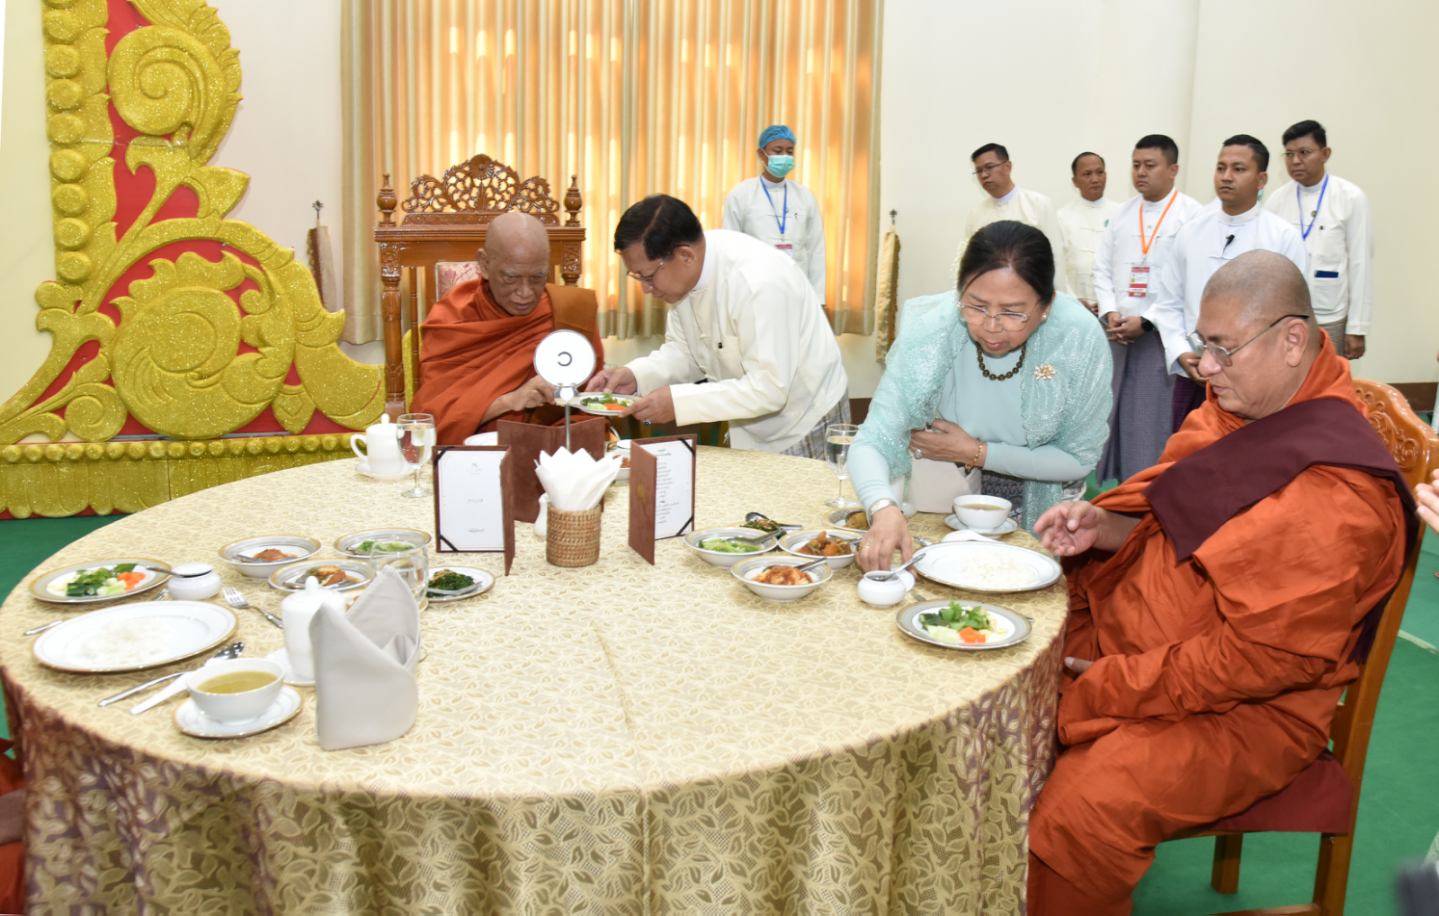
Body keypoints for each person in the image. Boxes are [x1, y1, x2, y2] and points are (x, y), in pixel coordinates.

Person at [1026, 251, 1416, 915]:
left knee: (1085, 808)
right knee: (1007, 666)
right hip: (1154, 638)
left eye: (1222, 349)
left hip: (1253, 709)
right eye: (1202, 344)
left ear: (1292, 341)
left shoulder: (1338, 497)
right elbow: (1177, 516)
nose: (1203, 367)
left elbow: (1269, 658)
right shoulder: (1238, 409)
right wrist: (1108, 528)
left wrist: (1118, 683)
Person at [848, 220, 1112, 568]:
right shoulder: (935, 329)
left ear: (1047, 304)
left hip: (1044, 495)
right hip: (947, 485)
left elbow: (1078, 459)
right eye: (976, 306)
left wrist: (977, 452)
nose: (991, 326)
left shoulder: (1077, 338)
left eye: (1013, 312)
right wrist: (883, 507)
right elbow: (873, 438)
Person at [586, 194, 848, 456]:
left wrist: (678, 403)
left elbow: (769, 389)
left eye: (648, 276)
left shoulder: (759, 282)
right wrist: (635, 376)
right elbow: (686, 353)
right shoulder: (684, 280)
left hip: (805, 419)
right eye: (637, 277)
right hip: (749, 423)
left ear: (685, 255)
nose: (645, 289)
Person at [1145, 134, 1307, 431]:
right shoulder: (1191, 232)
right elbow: (1168, 303)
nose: (1226, 176)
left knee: (1247, 455)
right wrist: (1181, 352)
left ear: (1261, 179)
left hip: (1253, 382)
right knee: (1189, 452)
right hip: (1194, 373)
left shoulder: (1282, 237)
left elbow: (1294, 317)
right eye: (1221, 168)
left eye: (1238, 169)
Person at [410, 211, 603, 444]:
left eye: (537, 278)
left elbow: (591, 408)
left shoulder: (571, 312)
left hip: (552, 450)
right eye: (511, 278)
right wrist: (508, 402)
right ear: (484, 264)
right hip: (474, 452)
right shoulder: (452, 320)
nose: (525, 292)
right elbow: (429, 422)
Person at [1093, 134, 1205, 481]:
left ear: (1173, 170)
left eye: (1150, 165)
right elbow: (1102, 268)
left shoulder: (1192, 215)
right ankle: (1118, 487)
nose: (1140, 172)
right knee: (1113, 413)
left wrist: (1147, 320)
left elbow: (1188, 281)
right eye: (1136, 165)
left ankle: (1145, 488)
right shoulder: (1122, 213)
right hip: (1118, 332)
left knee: (1148, 419)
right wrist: (1110, 312)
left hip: (1161, 335)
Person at [1264, 119, 1373, 359]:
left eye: (1304, 153)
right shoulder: (1276, 200)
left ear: (1325, 154)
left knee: (1328, 379)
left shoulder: (1350, 198)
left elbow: (1360, 264)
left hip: (1330, 315)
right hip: (1284, 315)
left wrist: (1357, 328)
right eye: (1289, 154)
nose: (1295, 161)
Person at [722, 123, 826, 301]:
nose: (784, 156)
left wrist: (818, 298)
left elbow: (816, 249)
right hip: (754, 290)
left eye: (789, 151)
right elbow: (730, 249)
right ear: (761, 154)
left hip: (797, 290)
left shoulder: (804, 196)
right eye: (778, 151)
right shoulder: (741, 195)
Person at [954, 143, 1070, 293]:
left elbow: (1056, 256)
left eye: (989, 167)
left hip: (1032, 289)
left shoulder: (1038, 204)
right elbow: (969, 260)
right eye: (979, 171)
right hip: (989, 293)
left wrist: (1056, 295)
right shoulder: (976, 214)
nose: (984, 175)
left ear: (1008, 167)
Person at [1056, 151, 1118, 313]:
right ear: (1074, 181)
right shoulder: (1062, 217)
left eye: (1100, 172)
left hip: (1116, 307)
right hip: (1075, 306)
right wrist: (1073, 300)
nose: (1095, 179)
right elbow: (1058, 266)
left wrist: (1109, 302)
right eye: (1087, 174)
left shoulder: (1121, 214)